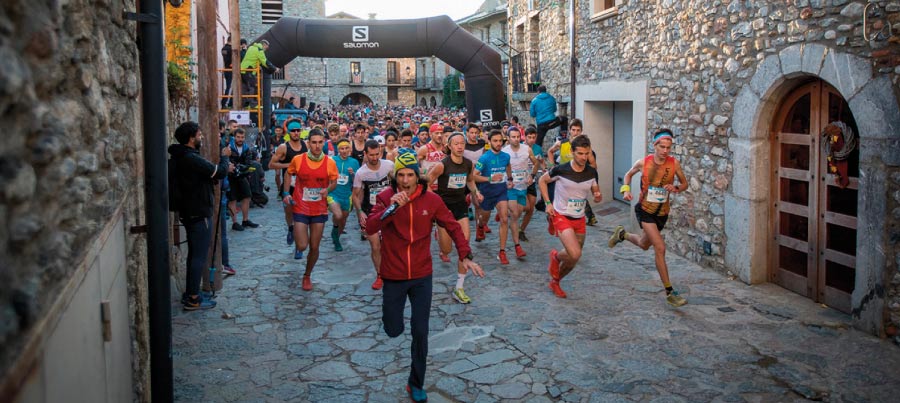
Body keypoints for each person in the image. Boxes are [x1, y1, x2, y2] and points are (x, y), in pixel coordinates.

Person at [366, 151, 484, 403]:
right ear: (394, 177)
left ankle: (415, 383)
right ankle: (394, 326)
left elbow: (452, 225)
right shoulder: (385, 197)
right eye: (401, 175)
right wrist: (392, 208)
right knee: (393, 329)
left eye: (410, 175)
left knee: (421, 331)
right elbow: (371, 226)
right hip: (394, 275)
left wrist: (465, 254)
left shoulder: (431, 200)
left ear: (417, 177)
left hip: (421, 275)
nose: (405, 180)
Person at [608, 129, 688, 307]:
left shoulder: (674, 164)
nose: (665, 150)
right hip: (644, 210)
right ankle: (669, 291)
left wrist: (675, 188)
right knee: (660, 247)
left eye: (668, 147)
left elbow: (684, 184)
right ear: (655, 145)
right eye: (662, 146)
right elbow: (628, 175)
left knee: (645, 245)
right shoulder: (643, 163)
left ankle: (622, 235)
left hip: (662, 213)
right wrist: (626, 190)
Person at [168, 121, 234, 310]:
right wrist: (225, 158)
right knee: (198, 256)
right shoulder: (190, 158)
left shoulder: (180, 156)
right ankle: (193, 299)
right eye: (199, 134)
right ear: (191, 138)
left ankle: (191, 292)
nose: (202, 137)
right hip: (198, 211)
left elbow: (202, 177)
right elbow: (219, 172)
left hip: (190, 210)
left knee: (194, 255)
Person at [538, 135, 602, 298]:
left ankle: (555, 280)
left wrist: (597, 195)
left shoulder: (591, 171)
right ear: (572, 152)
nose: (584, 157)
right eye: (580, 153)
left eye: (586, 153)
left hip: (579, 219)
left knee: (573, 258)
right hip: (561, 215)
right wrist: (548, 203)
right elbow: (542, 181)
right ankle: (556, 257)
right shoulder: (561, 169)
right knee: (575, 254)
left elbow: (595, 188)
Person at [428, 133, 482, 303]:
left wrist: (476, 192)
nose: (460, 146)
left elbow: (470, 180)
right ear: (449, 146)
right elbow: (426, 183)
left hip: (460, 207)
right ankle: (440, 233)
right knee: (447, 250)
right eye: (456, 144)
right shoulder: (442, 165)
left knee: (464, 245)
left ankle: (459, 287)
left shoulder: (467, 164)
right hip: (443, 209)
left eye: (462, 143)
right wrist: (434, 202)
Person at [281, 128, 338, 291]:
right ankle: (294, 232)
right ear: (308, 143)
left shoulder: (330, 162)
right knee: (302, 246)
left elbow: (334, 182)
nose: (317, 146)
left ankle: (307, 275)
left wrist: (328, 190)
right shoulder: (298, 160)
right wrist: (286, 192)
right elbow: (288, 174)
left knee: (314, 246)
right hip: (301, 206)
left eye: (320, 142)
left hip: (319, 209)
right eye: (314, 142)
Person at [352, 140, 394, 290]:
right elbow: (355, 195)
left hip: (389, 211)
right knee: (375, 246)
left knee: (390, 245)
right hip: (371, 213)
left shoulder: (389, 166)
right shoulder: (361, 173)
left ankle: (392, 271)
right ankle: (379, 275)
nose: (375, 158)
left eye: (377, 154)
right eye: (371, 155)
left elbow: (398, 184)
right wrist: (360, 212)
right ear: (365, 154)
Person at [546, 118, 598, 225]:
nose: (575, 133)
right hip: (562, 176)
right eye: (573, 130)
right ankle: (553, 216)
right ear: (569, 130)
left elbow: (593, 164)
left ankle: (587, 217)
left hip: (578, 176)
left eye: (578, 130)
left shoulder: (585, 147)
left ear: (581, 131)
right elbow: (550, 152)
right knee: (553, 195)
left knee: (578, 198)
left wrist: (589, 174)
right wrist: (551, 166)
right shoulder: (562, 144)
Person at [473, 130, 513, 264]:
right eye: (495, 141)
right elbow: (474, 175)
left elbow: (508, 166)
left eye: (500, 141)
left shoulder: (506, 156)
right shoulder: (484, 158)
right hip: (487, 193)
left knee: (504, 219)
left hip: (501, 191)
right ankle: (480, 225)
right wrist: (490, 177)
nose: (498, 143)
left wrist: (510, 178)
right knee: (485, 219)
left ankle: (502, 252)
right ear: (489, 142)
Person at [269, 120, 308, 251]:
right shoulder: (283, 147)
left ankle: (299, 245)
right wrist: (289, 166)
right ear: (289, 132)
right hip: (288, 185)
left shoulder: (306, 145)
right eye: (293, 131)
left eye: (298, 130)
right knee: (289, 212)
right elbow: (271, 164)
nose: (296, 133)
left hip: (303, 185)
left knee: (300, 216)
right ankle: (290, 228)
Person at [500, 126, 539, 258]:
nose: (516, 139)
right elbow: (499, 168)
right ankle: (517, 246)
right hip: (510, 187)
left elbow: (536, 163)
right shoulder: (504, 152)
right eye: (513, 137)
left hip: (523, 187)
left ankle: (513, 228)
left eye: (518, 137)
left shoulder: (526, 149)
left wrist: (532, 176)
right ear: (508, 138)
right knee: (515, 214)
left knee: (521, 211)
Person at [226, 128, 260, 231]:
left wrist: (241, 168)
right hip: (231, 177)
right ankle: (235, 222)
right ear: (234, 137)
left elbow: (248, 162)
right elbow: (227, 160)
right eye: (238, 137)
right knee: (233, 199)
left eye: (242, 137)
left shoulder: (246, 148)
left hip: (242, 175)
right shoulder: (229, 147)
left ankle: (245, 220)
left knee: (247, 196)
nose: (240, 139)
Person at [329, 139, 359, 251]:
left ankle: (336, 236)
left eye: (346, 148)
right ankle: (335, 234)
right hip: (334, 193)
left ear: (350, 150)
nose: (344, 150)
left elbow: (357, 179)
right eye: (342, 148)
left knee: (343, 219)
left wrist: (353, 174)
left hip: (347, 195)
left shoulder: (354, 162)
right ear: (338, 150)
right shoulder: (332, 160)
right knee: (338, 215)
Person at [519, 126, 545, 241]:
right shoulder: (519, 147)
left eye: (534, 137)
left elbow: (541, 162)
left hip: (531, 181)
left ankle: (521, 230)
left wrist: (545, 168)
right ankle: (511, 212)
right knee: (525, 207)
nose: (531, 140)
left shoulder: (538, 148)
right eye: (529, 137)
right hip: (519, 182)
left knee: (531, 208)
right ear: (524, 136)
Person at [221, 36, 233, 109]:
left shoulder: (223, 49)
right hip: (231, 69)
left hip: (226, 69)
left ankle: (224, 103)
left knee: (228, 87)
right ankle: (226, 103)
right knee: (230, 87)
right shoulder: (231, 49)